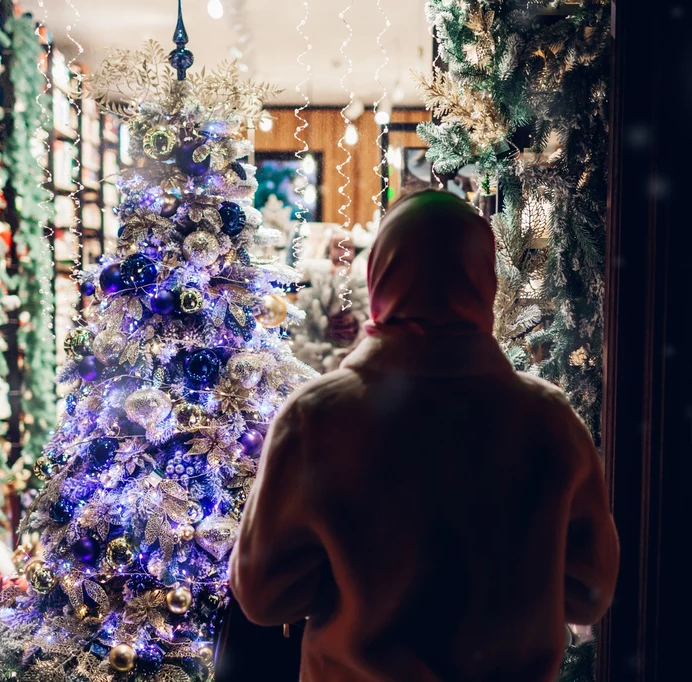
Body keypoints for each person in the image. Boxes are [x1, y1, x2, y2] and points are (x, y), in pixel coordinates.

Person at [229, 190, 619, 682]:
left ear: (378, 279)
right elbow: (590, 591)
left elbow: (264, 596)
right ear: (487, 282)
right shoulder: (549, 419)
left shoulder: (316, 417)